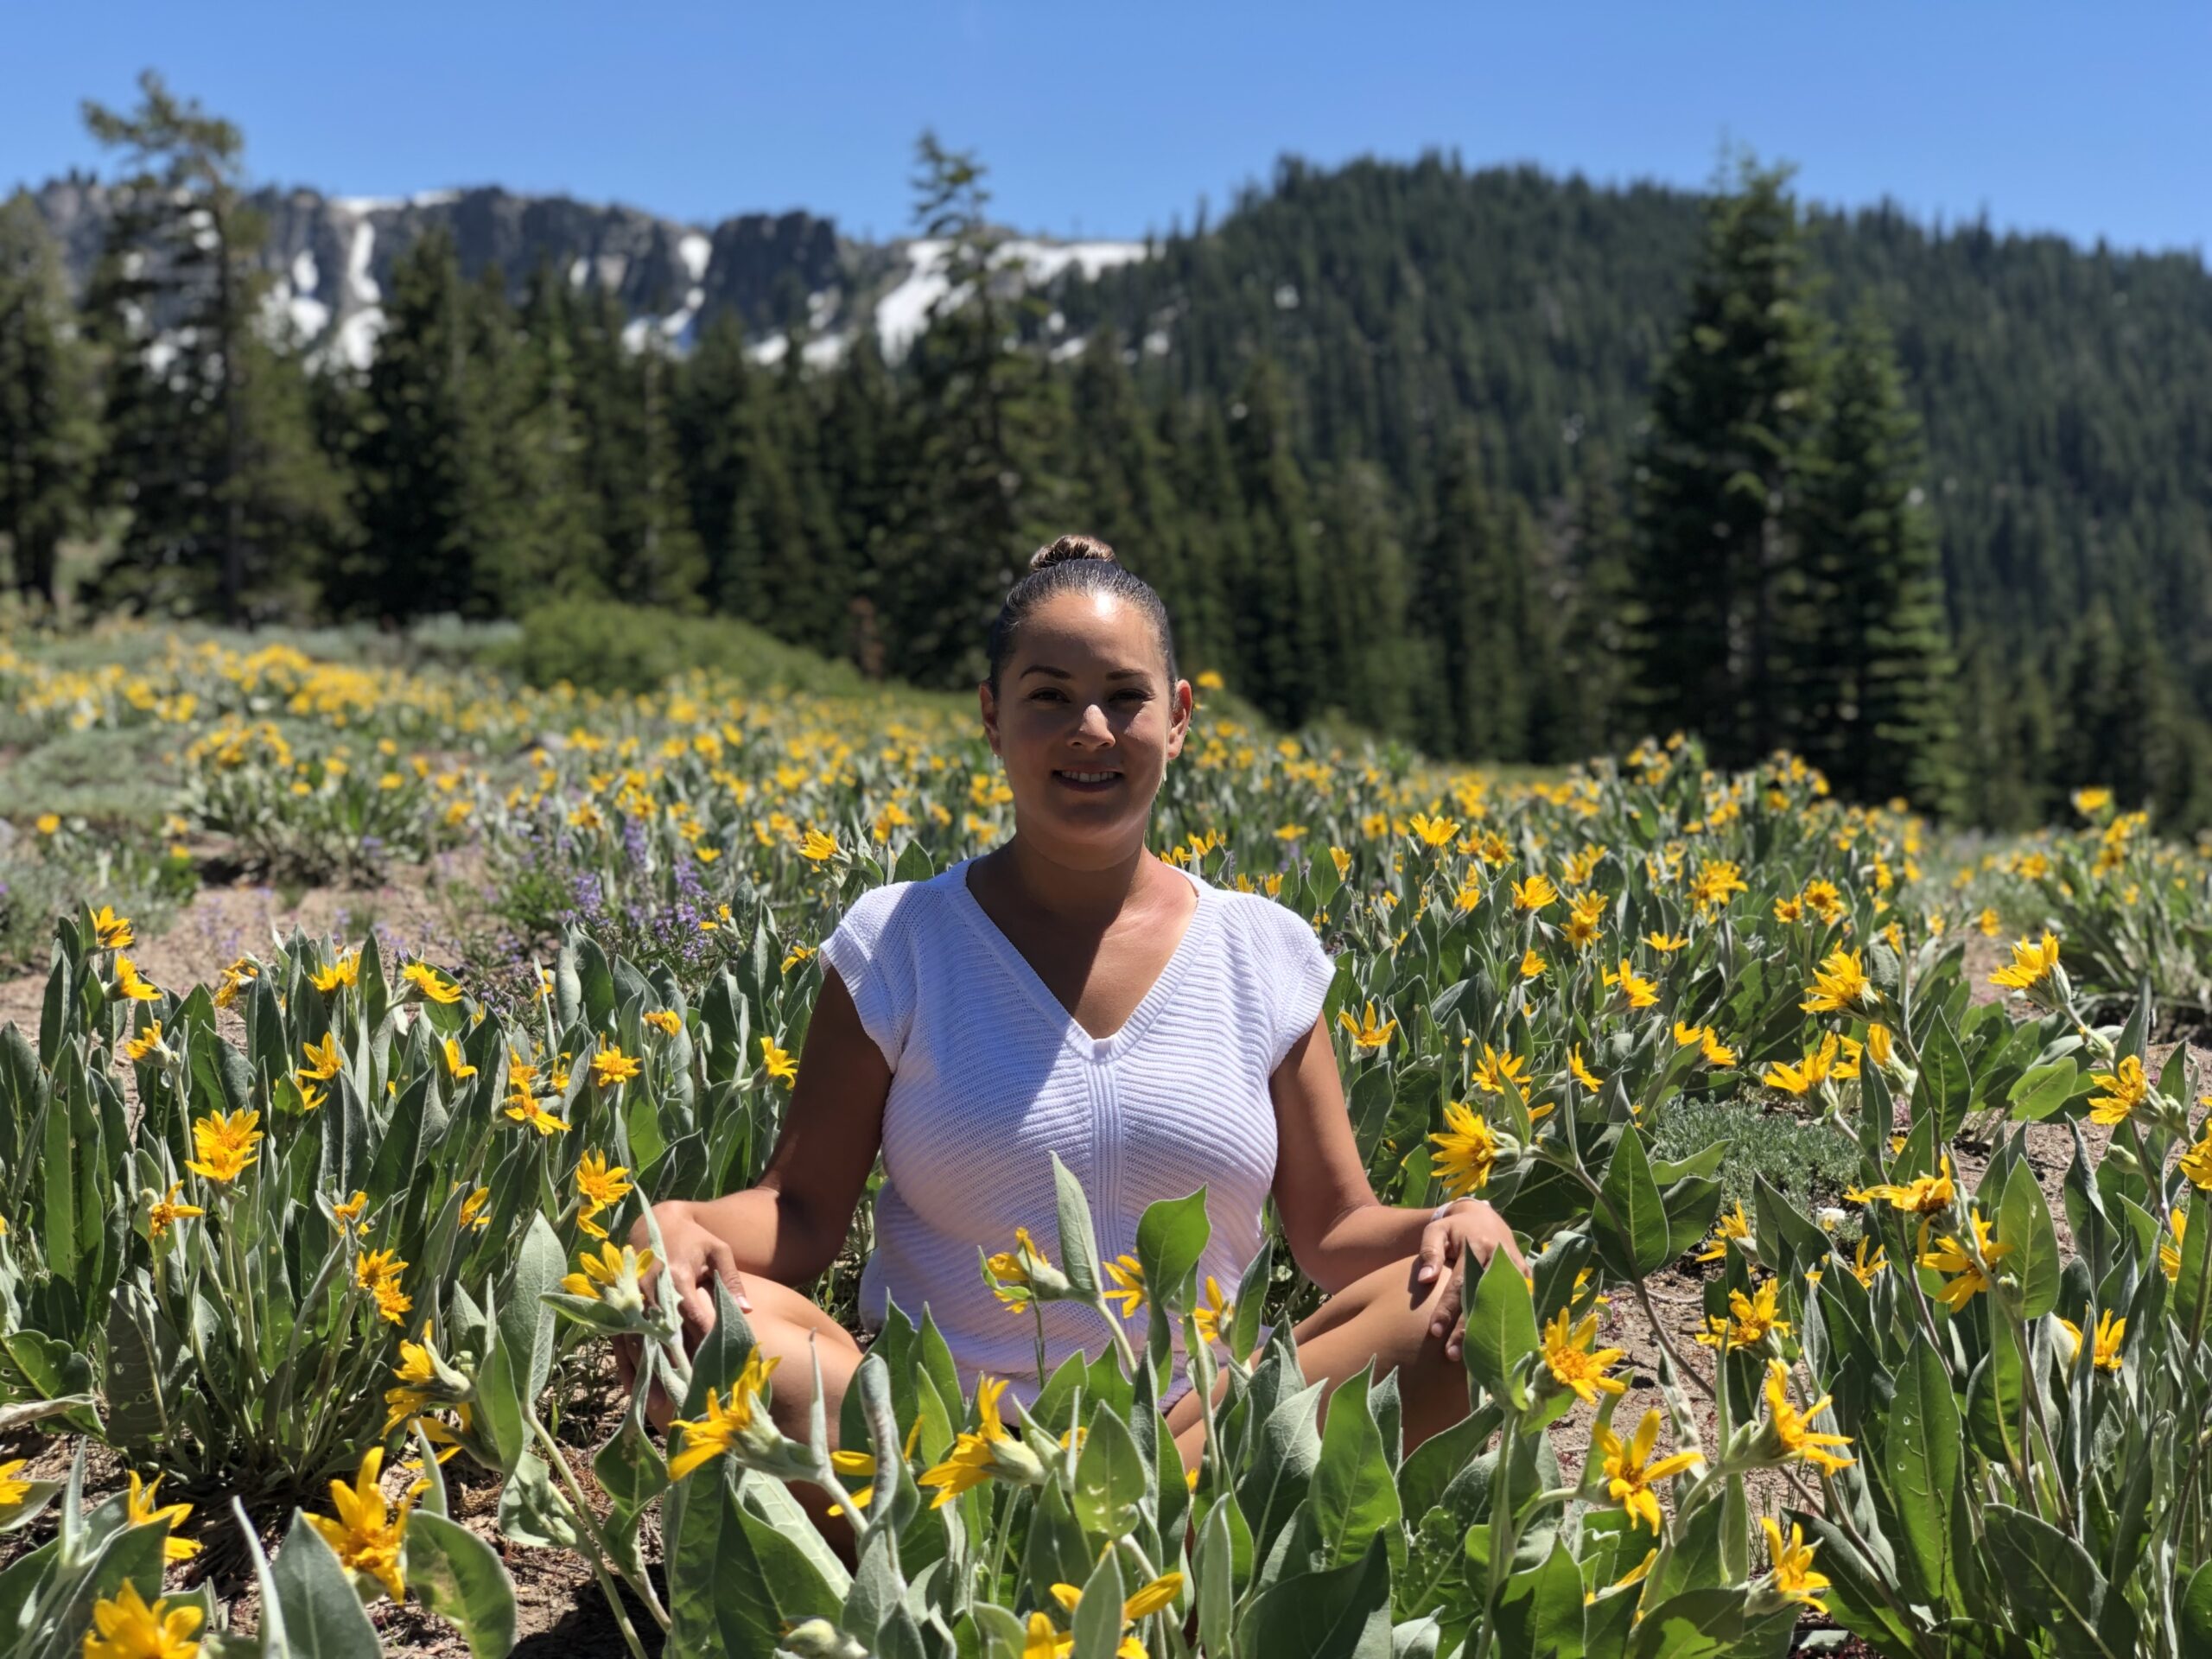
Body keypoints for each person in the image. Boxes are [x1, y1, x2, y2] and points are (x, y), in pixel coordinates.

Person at [625, 532, 1524, 1538]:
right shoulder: (899, 941)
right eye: (1049, 696)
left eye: (1125, 697)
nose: (1089, 729)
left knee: (1462, 1305)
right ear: (991, 717)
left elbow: (1332, 1228)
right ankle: (1131, 1593)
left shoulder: (1262, 950)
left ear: (1177, 720)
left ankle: (1090, 1579)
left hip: (1187, 1444)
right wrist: (684, 1223)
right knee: (674, 1315)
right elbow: (799, 1209)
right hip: (933, 1448)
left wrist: (1451, 1221)